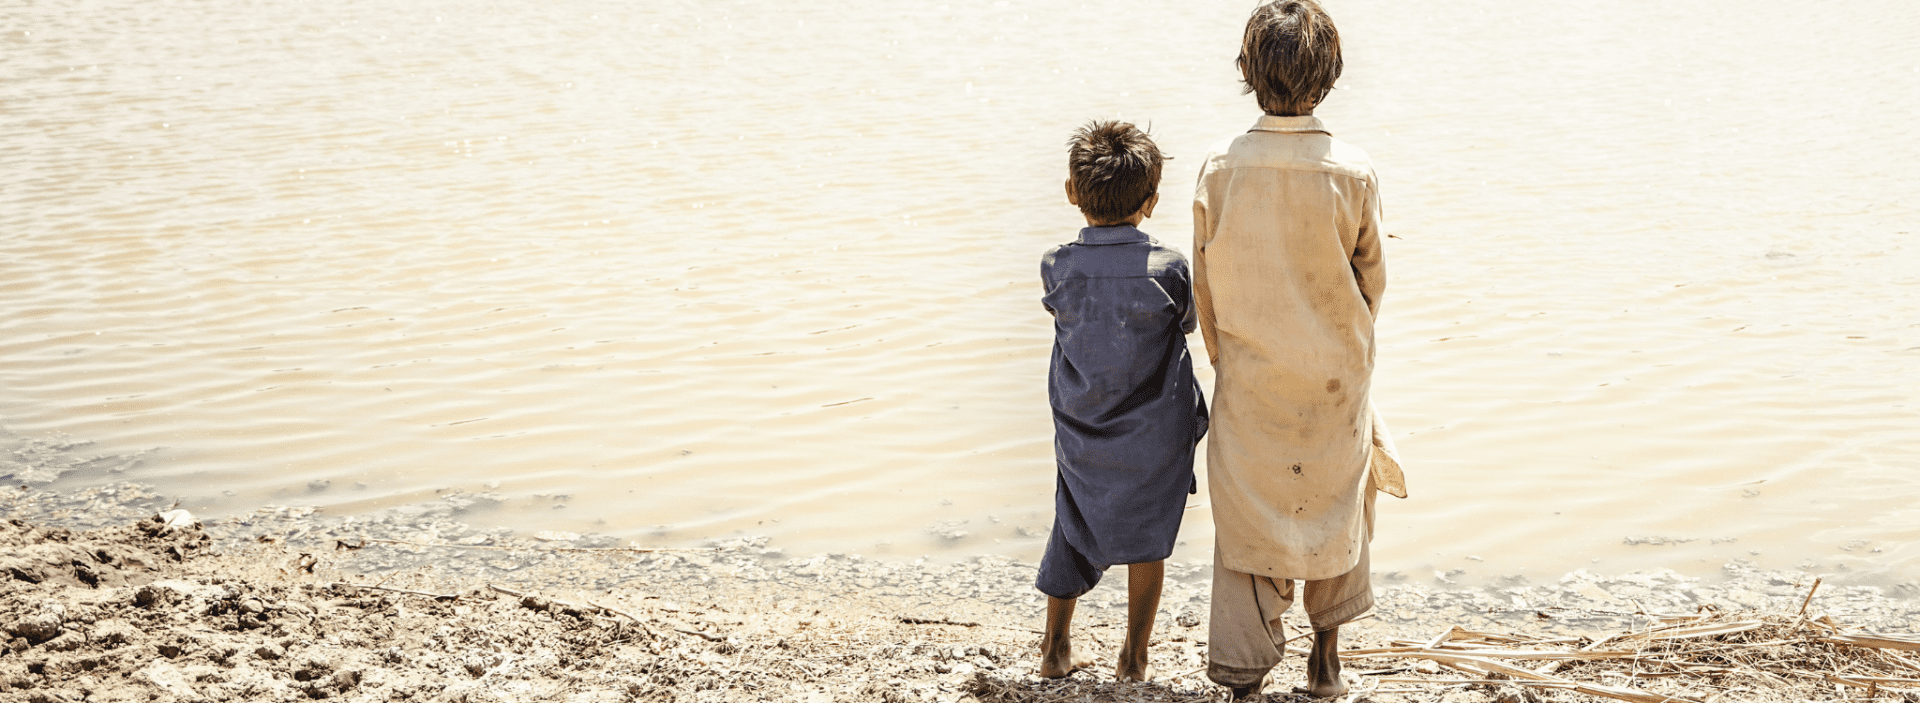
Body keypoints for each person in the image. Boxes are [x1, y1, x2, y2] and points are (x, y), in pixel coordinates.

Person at [1191, 0, 1407, 698]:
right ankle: (1326, 654)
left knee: (1248, 513)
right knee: (1339, 501)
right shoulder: (1352, 170)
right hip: (1333, 377)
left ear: (1247, 73)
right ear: (1332, 76)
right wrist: (1343, 346)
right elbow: (1371, 279)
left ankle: (1244, 675)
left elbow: (1206, 284)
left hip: (1251, 375)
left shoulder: (1220, 169)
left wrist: (1230, 357)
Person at [1036, 120, 1209, 681]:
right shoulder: (1170, 268)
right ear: (1153, 201)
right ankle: (1134, 658)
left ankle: (1055, 648)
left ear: (1071, 193)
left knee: (1071, 520)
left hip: (1082, 426)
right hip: (1154, 431)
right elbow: (1186, 324)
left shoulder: (1058, 265)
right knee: (1149, 536)